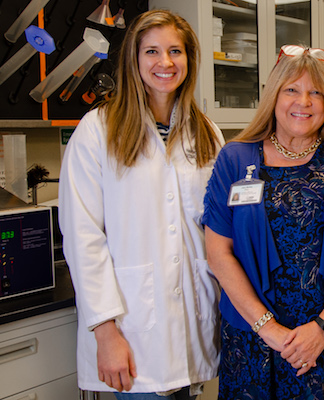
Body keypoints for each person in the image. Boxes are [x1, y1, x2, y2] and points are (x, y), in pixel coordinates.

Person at [202, 44, 324, 399]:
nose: (304, 102)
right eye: (292, 90)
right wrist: (267, 328)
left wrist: (321, 329)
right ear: (274, 95)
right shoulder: (235, 159)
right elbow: (218, 253)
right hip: (254, 338)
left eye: (317, 92)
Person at [59, 10, 224, 400]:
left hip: (194, 323)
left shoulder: (207, 133)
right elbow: (83, 239)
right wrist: (105, 331)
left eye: (175, 51)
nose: (165, 63)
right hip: (132, 332)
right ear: (133, 60)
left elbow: (215, 228)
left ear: (189, 60)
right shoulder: (97, 130)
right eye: (152, 51)